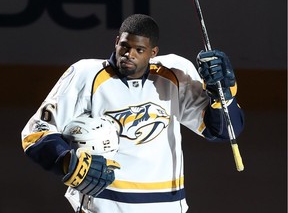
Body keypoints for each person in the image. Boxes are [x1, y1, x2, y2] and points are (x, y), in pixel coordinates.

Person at [21, 14, 244, 213]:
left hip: (167, 205)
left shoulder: (173, 75)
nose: (129, 54)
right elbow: (36, 132)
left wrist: (223, 92)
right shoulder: (85, 74)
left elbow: (222, 131)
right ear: (116, 41)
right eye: (125, 46)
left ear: (153, 52)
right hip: (104, 204)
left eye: (139, 50)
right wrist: (65, 159)